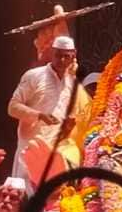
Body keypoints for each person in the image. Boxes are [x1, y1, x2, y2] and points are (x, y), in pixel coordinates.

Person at [8, 35, 89, 189]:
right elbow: (12, 107)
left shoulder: (72, 84)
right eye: (59, 55)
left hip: (55, 155)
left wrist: (69, 126)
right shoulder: (34, 76)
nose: (63, 61)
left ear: (74, 55)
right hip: (29, 149)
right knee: (24, 199)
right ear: (52, 53)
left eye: (67, 56)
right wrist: (39, 116)